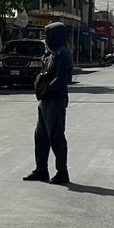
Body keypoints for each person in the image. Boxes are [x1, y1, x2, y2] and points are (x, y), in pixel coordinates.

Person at [22, 21, 72, 185]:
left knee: (56, 136)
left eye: (48, 34)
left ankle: (62, 172)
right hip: (45, 100)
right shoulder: (51, 52)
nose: (46, 38)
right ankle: (41, 169)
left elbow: (62, 79)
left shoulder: (62, 53)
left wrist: (46, 89)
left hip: (55, 100)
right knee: (41, 136)